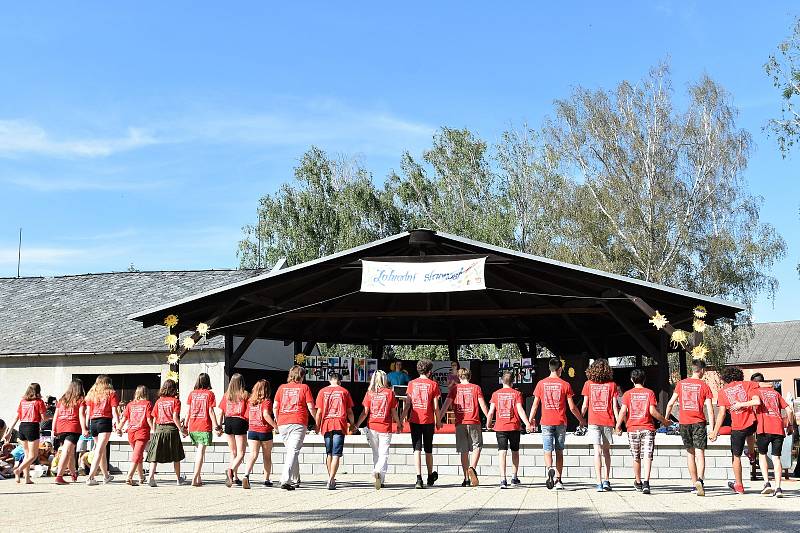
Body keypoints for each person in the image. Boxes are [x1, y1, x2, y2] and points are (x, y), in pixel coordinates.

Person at [530, 357, 585, 490]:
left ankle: (550, 469)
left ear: (550, 368)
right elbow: (572, 407)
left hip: (546, 421)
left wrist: (530, 420)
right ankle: (559, 480)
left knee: (547, 450)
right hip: (560, 421)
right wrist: (581, 420)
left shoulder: (541, 384)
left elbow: (535, 404)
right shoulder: (565, 384)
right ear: (560, 369)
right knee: (559, 451)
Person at [616, 369, 670, 494]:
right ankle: (646, 482)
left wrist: (618, 425)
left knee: (636, 456)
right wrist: (665, 421)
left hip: (632, 428)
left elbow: (623, 411)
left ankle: (638, 481)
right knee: (647, 455)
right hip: (647, 428)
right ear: (644, 379)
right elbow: (652, 411)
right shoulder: (649, 393)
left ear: (631, 380)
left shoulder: (627, 394)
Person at [663, 359, 714, 496]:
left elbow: (670, 403)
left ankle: (693, 484)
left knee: (690, 453)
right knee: (700, 453)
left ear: (693, 370)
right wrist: (713, 428)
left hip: (684, 422)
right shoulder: (704, 386)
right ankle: (700, 481)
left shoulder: (680, 384)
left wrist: (666, 419)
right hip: (699, 422)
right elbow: (709, 408)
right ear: (702, 370)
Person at [709, 366, 761, 495]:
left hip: (737, 426)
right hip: (751, 421)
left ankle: (739, 485)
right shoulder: (749, 384)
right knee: (750, 432)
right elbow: (758, 398)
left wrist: (715, 432)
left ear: (725, 379)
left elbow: (721, 414)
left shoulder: (723, 392)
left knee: (736, 456)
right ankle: (751, 453)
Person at [440, 367, 489, 487]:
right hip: (474, 421)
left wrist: (439, 419)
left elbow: (446, 405)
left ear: (459, 376)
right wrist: (489, 418)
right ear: (470, 376)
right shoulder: (476, 388)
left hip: (460, 422)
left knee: (464, 450)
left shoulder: (454, 388)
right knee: (477, 445)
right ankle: (472, 467)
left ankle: (466, 478)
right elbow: (482, 404)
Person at [356, 370, 402, 490]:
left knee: (376, 453)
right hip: (385, 427)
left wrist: (356, 425)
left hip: (372, 427)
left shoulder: (369, 393)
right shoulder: (389, 393)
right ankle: (378, 471)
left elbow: (365, 413)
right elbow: (393, 412)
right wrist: (399, 423)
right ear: (384, 379)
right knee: (384, 454)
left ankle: (380, 480)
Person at [486, 371, 533, 488]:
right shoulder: (516, 394)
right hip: (514, 427)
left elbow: (491, 412)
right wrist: (527, 423)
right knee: (515, 451)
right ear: (513, 382)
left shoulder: (495, 394)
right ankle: (514, 477)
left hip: (500, 427)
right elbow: (520, 410)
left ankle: (503, 479)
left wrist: (488, 424)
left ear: (502, 381)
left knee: (502, 451)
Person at [402, 358, 442, 489]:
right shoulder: (433, 384)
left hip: (415, 420)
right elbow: (436, 406)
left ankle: (418, 478)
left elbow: (407, 404)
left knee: (416, 449)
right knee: (428, 449)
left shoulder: (412, 383)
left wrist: (401, 420)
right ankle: (430, 475)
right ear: (430, 372)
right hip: (428, 420)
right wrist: (438, 420)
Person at [274, 365, 316, 491]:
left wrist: (277, 421)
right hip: (298, 421)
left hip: (283, 423)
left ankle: (295, 479)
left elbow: (275, 406)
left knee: (292, 450)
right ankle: (285, 479)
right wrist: (317, 420)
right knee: (293, 451)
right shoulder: (304, 388)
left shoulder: (281, 388)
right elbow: (310, 407)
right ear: (302, 376)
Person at [581, 358, 619, 492]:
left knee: (596, 451)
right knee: (606, 452)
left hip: (593, 421)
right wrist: (618, 423)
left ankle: (598, 482)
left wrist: (581, 419)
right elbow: (615, 406)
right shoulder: (612, 385)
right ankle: (607, 479)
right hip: (608, 421)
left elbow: (585, 405)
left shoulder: (588, 384)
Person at [752, 377, 793, 497]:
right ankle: (778, 488)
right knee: (776, 458)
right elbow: (789, 410)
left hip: (763, 428)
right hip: (778, 428)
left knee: (762, 455)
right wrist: (790, 425)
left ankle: (767, 483)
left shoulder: (756, 392)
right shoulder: (776, 393)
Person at [315, 372, 355, 490]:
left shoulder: (322, 391)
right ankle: (331, 479)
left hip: (326, 424)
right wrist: (352, 424)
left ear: (329, 380)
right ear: (340, 381)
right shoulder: (344, 391)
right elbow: (349, 412)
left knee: (329, 453)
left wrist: (317, 426)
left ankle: (330, 477)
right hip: (339, 424)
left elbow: (319, 412)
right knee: (336, 453)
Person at [3, 383, 47, 484]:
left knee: (27, 455)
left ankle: (26, 478)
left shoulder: (23, 401)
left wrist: (9, 431)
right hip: (32, 426)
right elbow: (44, 418)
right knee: (33, 455)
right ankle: (18, 470)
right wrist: (52, 417)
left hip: (22, 426)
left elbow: (17, 417)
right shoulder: (39, 402)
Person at [145, 379, 186, 487]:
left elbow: (154, 418)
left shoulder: (159, 401)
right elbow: (174, 417)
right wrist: (182, 429)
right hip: (172, 430)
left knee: (154, 455)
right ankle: (178, 479)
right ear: (174, 389)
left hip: (159, 430)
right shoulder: (176, 401)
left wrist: (153, 431)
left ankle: (151, 477)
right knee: (176, 455)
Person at [84, 375, 121, 485]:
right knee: (99, 450)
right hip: (104, 422)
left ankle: (106, 476)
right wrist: (118, 425)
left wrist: (86, 426)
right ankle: (90, 477)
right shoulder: (111, 393)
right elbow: (115, 411)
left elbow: (88, 412)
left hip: (93, 422)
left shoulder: (92, 394)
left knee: (102, 450)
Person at [243, 379, 278, 489]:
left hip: (252, 431)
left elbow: (247, 416)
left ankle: (246, 475)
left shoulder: (250, 402)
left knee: (253, 454)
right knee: (267, 456)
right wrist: (275, 426)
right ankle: (266, 479)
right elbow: (266, 415)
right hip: (265, 431)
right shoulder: (266, 401)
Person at [186, 373, 218, 487]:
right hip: (204, 426)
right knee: (200, 452)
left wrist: (185, 425)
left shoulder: (192, 394)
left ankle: (198, 478)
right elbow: (211, 411)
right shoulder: (210, 394)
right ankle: (194, 478)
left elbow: (188, 411)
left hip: (193, 426)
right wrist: (216, 426)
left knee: (199, 452)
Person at [52, 379, 87, 484]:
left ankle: (73, 473)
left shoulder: (63, 399)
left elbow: (56, 415)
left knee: (70, 452)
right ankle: (59, 476)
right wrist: (84, 428)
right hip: (73, 428)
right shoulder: (81, 399)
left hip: (61, 427)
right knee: (67, 451)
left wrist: (54, 429)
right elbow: (81, 415)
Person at [218, 373, 250, 488]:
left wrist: (219, 426)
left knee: (233, 452)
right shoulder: (245, 394)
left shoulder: (226, 395)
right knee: (241, 453)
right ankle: (230, 470)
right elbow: (248, 411)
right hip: (240, 421)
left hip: (228, 422)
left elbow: (221, 411)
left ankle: (235, 477)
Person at [117, 385, 152, 486]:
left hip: (131, 432)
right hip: (142, 432)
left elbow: (124, 418)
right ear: (146, 393)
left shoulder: (130, 405)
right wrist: (153, 429)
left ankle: (141, 477)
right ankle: (129, 477)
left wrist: (119, 428)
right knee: (136, 455)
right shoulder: (148, 404)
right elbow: (149, 419)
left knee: (138, 455)